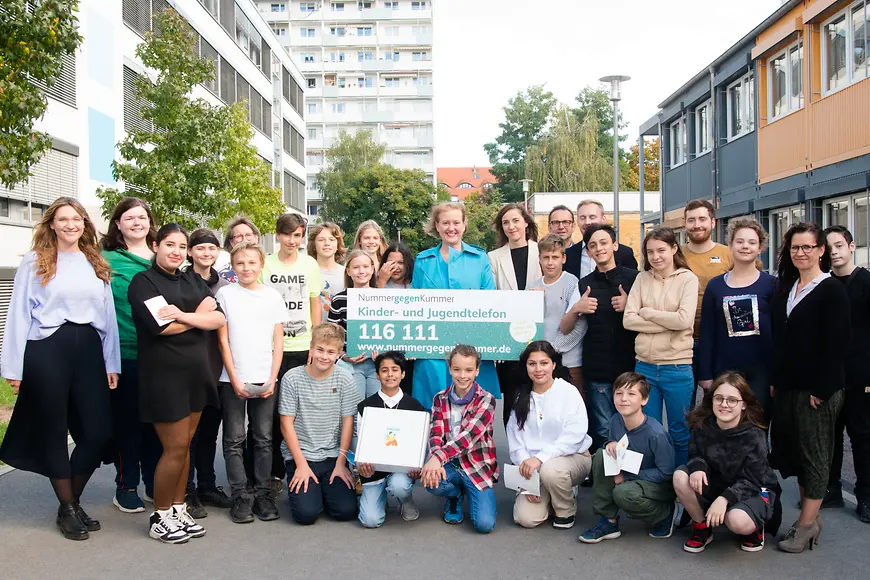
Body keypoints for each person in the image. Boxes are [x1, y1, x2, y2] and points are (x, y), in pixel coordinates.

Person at [0, 197, 120, 541]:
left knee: (97, 431)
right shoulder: (36, 261)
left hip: (89, 350)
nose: (71, 224)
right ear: (51, 224)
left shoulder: (95, 261)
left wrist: (111, 361)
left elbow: (108, 317)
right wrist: (13, 367)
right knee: (53, 429)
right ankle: (68, 510)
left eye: (77, 218)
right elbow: (18, 313)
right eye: (63, 219)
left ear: (85, 223)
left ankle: (71, 500)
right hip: (47, 348)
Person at [128, 223, 226, 544]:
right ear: (156, 245)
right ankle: (159, 514)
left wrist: (183, 315)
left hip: (195, 377)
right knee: (173, 449)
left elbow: (218, 319)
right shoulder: (143, 282)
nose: (176, 251)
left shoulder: (192, 278)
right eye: (170, 244)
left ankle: (177, 508)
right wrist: (196, 315)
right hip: (163, 378)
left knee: (185, 447)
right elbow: (162, 327)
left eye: (181, 246)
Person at [770, 222, 849, 553]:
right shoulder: (787, 287)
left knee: (815, 457)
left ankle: (804, 526)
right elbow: (781, 342)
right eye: (794, 248)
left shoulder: (831, 290)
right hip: (788, 388)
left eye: (807, 247)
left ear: (821, 251)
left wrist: (823, 389)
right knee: (797, 456)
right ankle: (810, 519)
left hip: (816, 391)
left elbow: (837, 346)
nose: (800, 253)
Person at [215, 242, 288, 524]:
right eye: (240, 263)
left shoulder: (272, 296)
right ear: (233, 266)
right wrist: (233, 377)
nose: (246, 268)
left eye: (252, 263)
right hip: (232, 377)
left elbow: (278, 339)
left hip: (264, 377)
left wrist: (273, 376)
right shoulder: (225, 294)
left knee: (263, 438)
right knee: (234, 439)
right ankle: (240, 495)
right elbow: (223, 339)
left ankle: (262, 493)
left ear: (261, 265)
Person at [674, 372, 778, 553]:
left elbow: (754, 481)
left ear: (744, 404)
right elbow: (695, 453)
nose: (724, 404)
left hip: (752, 489)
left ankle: (753, 529)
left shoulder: (754, 435)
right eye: (719, 398)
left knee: (736, 520)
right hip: (717, 482)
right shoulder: (703, 425)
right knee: (681, 476)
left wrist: (725, 499)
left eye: (732, 400)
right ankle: (702, 527)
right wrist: (698, 467)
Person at [100, 197, 159, 514]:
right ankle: (126, 486)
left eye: (142, 217)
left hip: (161, 355)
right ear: (118, 223)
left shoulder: (161, 257)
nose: (137, 222)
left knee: (155, 422)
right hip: (124, 353)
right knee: (128, 424)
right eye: (129, 217)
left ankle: (153, 480)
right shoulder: (104, 259)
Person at [623, 227, 698, 467]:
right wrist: (669, 322)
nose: (656, 257)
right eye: (650, 252)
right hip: (644, 366)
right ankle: (654, 486)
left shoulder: (688, 279)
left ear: (674, 249)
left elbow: (685, 321)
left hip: (677, 366)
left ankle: (680, 484)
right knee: (647, 430)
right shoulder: (642, 279)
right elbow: (628, 320)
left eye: (661, 250)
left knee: (680, 431)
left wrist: (649, 313)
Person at [411, 203, 500, 405]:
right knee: (432, 410)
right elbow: (413, 305)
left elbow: (491, 302)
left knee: (475, 413)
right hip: (431, 350)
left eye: (456, 222)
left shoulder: (479, 259)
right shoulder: (423, 261)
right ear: (437, 225)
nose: (451, 228)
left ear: (464, 224)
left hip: (473, 346)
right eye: (445, 223)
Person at [261, 212, 324, 496]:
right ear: (278, 235)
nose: (292, 240)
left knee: (299, 414)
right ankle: (272, 475)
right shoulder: (265, 263)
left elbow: (315, 305)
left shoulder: (310, 264)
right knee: (272, 416)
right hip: (271, 350)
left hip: (302, 348)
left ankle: (303, 466)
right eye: (287, 234)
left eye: (297, 235)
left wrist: (315, 343)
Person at [563, 224, 639, 450]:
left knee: (632, 425)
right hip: (597, 367)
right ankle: (609, 478)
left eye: (604, 243)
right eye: (593, 245)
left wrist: (629, 306)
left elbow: (648, 315)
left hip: (631, 364)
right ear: (588, 252)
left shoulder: (635, 279)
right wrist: (577, 307)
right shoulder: (584, 284)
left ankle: (632, 478)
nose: (599, 248)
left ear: (615, 245)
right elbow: (566, 327)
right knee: (604, 427)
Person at [578, 372, 676, 543]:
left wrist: (627, 476)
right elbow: (617, 443)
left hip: (657, 485)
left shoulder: (655, 434)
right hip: (629, 471)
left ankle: (663, 515)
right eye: (619, 393)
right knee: (602, 455)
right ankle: (608, 521)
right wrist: (610, 443)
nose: (624, 399)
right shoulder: (616, 420)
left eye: (631, 394)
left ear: (644, 400)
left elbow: (666, 473)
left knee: (623, 493)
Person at [278, 322, 360, 525]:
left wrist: (341, 462)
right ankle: (311, 492)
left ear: (339, 353)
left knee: (345, 511)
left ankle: (323, 490)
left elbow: (348, 421)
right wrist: (300, 464)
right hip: (301, 454)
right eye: (320, 350)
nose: (324, 356)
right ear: (311, 348)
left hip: (332, 456)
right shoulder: (292, 378)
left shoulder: (345, 378)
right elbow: (286, 424)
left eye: (331, 352)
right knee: (306, 515)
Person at [507, 341, 592, 529]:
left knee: (552, 471)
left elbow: (574, 435)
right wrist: (528, 476)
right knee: (526, 519)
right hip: (533, 466)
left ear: (553, 365)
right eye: (532, 364)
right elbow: (515, 440)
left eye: (544, 363)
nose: (538, 369)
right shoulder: (522, 396)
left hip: (571, 458)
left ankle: (565, 508)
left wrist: (540, 459)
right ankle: (552, 491)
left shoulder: (568, 392)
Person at [697, 218, 776, 417]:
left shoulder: (772, 285)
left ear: (760, 248)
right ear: (730, 245)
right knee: (725, 425)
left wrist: (777, 377)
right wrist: (705, 374)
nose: (745, 247)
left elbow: (780, 332)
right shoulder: (716, 287)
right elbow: (707, 332)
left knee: (758, 424)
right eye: (740, 241)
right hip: (725, 370)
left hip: (762, 371)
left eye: (751, 242)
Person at [183, 229, 233, 517]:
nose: (205, 253)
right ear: (190, 252)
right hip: (189, 366)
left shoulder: (225, 286)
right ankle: (187, 488)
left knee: (210, 432)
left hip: (217, 367)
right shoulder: (181, 282)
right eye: (200, 248)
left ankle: (207, 485)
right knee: (189, 433)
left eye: (211, 249)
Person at [422, 345, 498, 533]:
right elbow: (436, 433)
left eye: (469, 370)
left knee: (484, 525)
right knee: (431, 480)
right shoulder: (440, 398)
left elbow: (467, 439)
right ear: (449, 369)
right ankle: (454, 494)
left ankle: (471, 491)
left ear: (477, 370)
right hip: (450, 463)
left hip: (476, 465)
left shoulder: (487, 399)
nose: (462, 375)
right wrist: (434, 457)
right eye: (457, 369)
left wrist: (437, 458)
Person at [824, 225, 870, 522]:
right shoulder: (823, 285)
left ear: (851, 246)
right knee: (829, 435)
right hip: (829, 374)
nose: (835, 252)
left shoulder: (866, 282)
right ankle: (831, 489)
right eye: (829, 248)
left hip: (861, 374)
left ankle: (865, 495)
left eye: (839, 245)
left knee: (863, 435)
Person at [357, 351, 428, 528]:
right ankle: (380, 498)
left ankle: (406, 500)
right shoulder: (365, 407)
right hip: (373, 472)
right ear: (377, 374)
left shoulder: (415, 406)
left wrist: (417, 464)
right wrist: (362, 463)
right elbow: (361, 441)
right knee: (370, 521)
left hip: (401, 472)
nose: (390, 375)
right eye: (384, 370)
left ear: (403, 374)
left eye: (395, 370)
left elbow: (419, 443)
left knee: (399, 485)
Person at [489, 203, 542, 425]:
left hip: (538, 337)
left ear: (526, 223)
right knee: (511, 401)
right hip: (507, 340)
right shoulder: (493, 257)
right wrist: (501, 339)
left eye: (516, 221)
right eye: (506, 223)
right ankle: (514, 454)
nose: (511, 226)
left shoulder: (542, 252)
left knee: (537, 398)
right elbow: (492, 299)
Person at [529, 235, 586, 396]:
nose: (550, 262)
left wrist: (552, 349)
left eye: (555, 257)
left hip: (569, 363)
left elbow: (580, 325)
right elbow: (527, 324)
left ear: (563, 258)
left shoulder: (572, 283)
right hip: (540, 365)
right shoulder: (532, 286)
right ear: (539, 259)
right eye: (546, 257)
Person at [327, 249, 381, 399]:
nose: (361, 271)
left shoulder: (383, 298)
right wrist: (344, 355)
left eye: (365, 266)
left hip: (377, 364)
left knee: (375, 407)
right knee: (354, 408)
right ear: (348, 271)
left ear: (372, 269)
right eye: (356, 267)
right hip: (350, 365)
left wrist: (383, 352)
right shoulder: (339, 300)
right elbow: (332, 336)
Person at [682, 200, 733, 342]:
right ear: (684, 223)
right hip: (680, 338)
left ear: (713, 222)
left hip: (719, 336)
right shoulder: (674, 255)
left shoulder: (729, 254)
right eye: (691, 220)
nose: (697, 225)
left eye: (702, 219)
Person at [564, 199, 637, 280]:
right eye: (582, 218)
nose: (587, 222)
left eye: (592, 217)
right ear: (577, 221)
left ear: (603, 219)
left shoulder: (625, 253)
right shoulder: (568, 255)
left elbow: (634, 284)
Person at [308, 222, 346, 319]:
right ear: (313, 245)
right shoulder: (307, 271)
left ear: (338, 244)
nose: (327, 243)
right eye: (321, 240)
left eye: (332, 240)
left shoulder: (347, 273)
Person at [217, 215, 261, 283]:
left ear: (256, 237)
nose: (244, 239)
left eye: (248, 235)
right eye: (239, 236)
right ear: (231, 242)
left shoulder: (270, 268)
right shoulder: (223, 275)